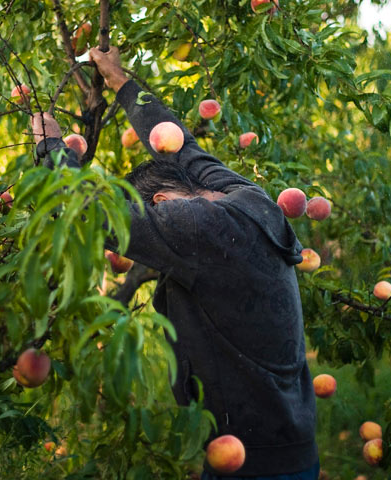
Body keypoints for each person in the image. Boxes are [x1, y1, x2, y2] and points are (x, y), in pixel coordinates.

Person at [29, 47, 319, 478]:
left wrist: (50, 149)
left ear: (163, 203)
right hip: (285, 448)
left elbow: (91, 210)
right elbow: (184, 151)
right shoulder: (250, 200)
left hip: (254, 463)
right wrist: (121, 83)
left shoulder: (200, 227)